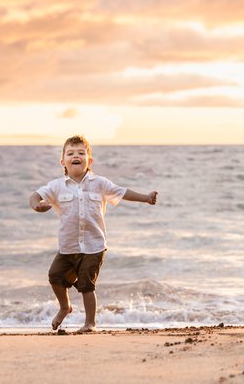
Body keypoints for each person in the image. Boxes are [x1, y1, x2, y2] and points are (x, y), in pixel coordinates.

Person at [29, 135, 158, 333]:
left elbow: (122, 192)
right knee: (55, 276)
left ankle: (90, 323)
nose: (76, 156)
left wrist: (146, 198)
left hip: (94, 245)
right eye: (70, 153)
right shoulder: (56, 186)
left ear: (89, 160)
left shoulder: (100, 183)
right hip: (68, 246)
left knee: (86, 284)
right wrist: (37, 206)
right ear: (62, 161)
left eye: (81, 153)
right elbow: (36, 195)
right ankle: (65, 307)